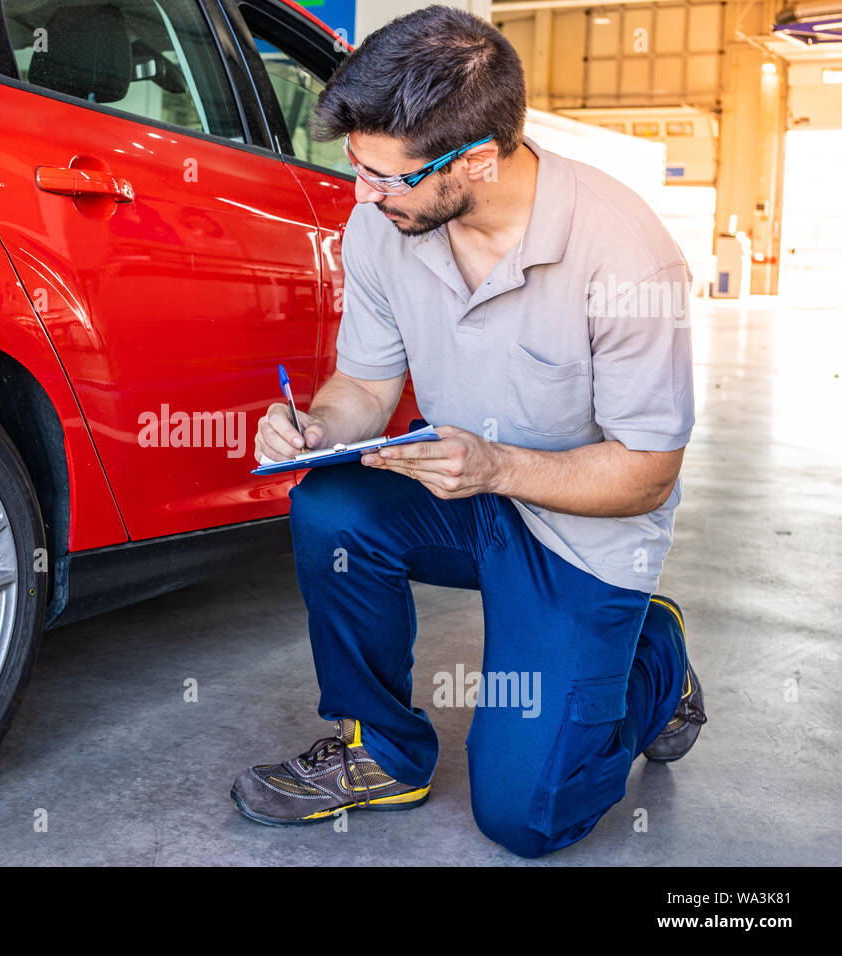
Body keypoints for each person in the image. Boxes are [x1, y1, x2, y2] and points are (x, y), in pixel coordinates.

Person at [232, 4, 707, 857]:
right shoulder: (387, 225)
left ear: (479, 160)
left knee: (526, 819)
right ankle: (382, 750)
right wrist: (311, 427)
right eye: (356, 168)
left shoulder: (625, 253)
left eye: (386, 176)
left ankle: (655, 655)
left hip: (585, 533)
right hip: (465, 490)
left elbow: (648, 476)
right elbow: (366, 387)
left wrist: (496, 466)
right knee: (332, 505)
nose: (362, 195)